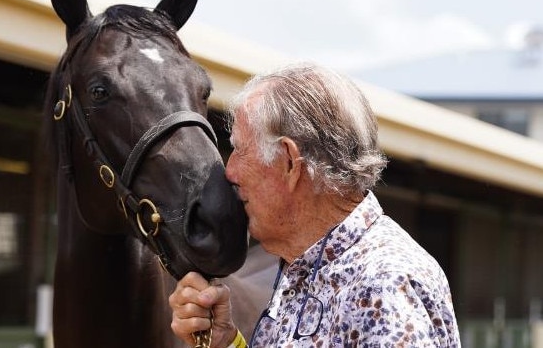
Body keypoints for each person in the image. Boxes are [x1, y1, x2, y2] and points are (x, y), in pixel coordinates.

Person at [168, 63, 460, 347]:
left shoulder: (384, 283)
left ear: (289, 161)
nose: (230, 172)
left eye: (240, 150)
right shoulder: (310, 267)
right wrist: (225, 343)